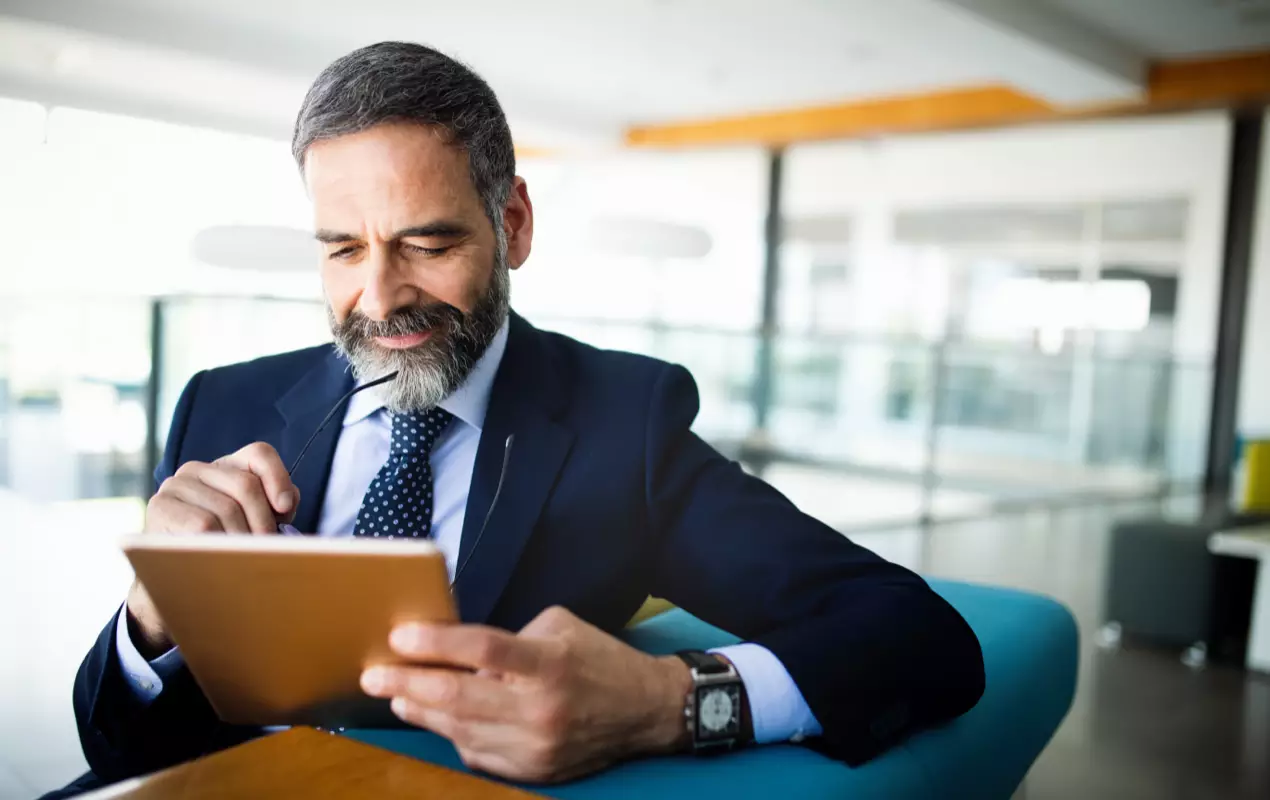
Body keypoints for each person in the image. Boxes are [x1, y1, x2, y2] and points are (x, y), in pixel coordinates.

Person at [57, 41, 983, 795]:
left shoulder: (626, 427)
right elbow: (117, 745)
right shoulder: (220, 402)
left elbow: (918, 635)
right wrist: (151, 622)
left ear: (515, 224)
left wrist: (668, 702)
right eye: (343, 249)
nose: (379, 297)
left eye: (428, 241)